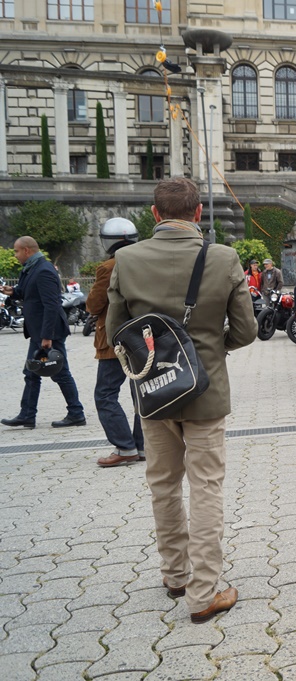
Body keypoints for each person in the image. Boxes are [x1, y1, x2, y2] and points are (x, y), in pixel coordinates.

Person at [106, 177, 258, 624]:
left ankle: (175, 575)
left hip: (152, 393)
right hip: (206, 392)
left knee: (163, 485)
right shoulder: (224, 257)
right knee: (206, 487)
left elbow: (118, 332)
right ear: (197, 214)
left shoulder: (126, 259)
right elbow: (247, 331)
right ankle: (204, 592)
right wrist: (207, 350)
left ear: (154, 215)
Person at [0, 236, 87, 429]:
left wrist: (47, 336)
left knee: (60, 372)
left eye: (16, 251)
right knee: (31, 372)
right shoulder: (31, 268)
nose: (15, 255)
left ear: (27, 250)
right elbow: (27, 293)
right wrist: (13, 291)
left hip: (49, 332)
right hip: (39, 331)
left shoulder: (44, 270)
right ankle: (27, 415)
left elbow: (51, 305)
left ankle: (76, 413)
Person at [89, 217, 145, 467]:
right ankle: (143, 445)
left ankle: (124, 447)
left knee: (105, 394)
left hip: (114, 339)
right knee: (141, 393)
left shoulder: (108, 266)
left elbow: (93, 304)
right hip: (141, 336)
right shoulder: (145, 259)